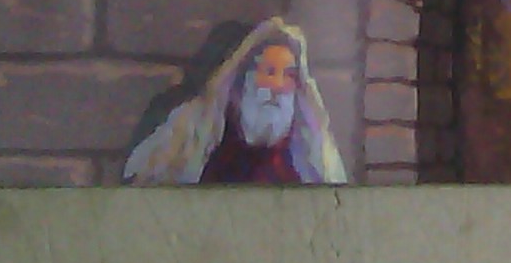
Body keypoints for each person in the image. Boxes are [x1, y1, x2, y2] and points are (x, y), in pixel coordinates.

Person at [123, 16, 349, 185]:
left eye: (288, 75)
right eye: (269, 72)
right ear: (243, 79)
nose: (277, 87)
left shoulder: (309, 147)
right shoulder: (198, 129)